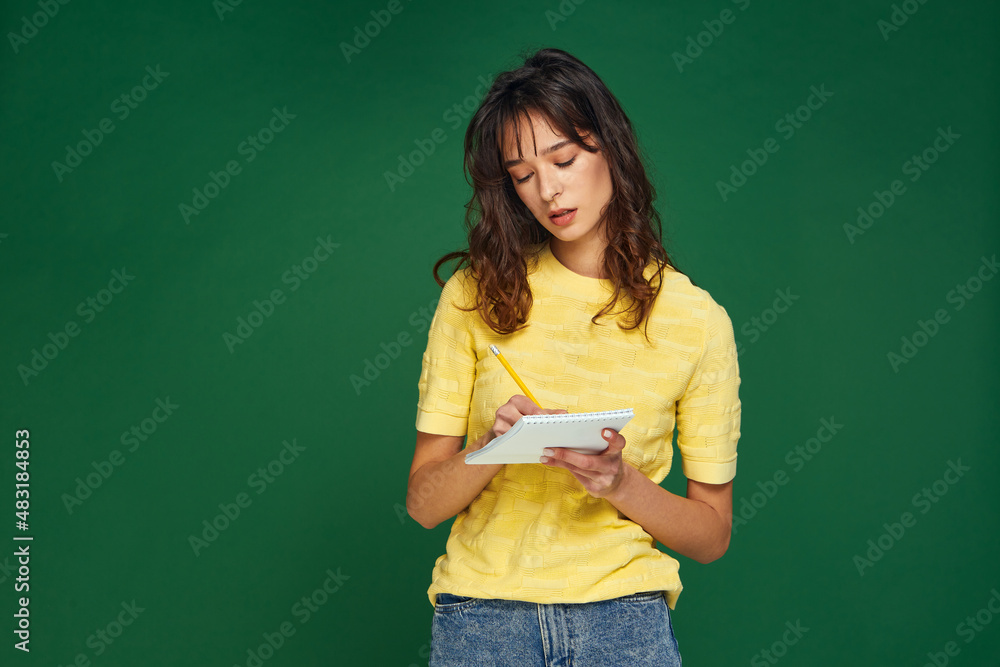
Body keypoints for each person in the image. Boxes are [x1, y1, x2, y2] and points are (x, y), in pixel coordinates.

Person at [407, 47, 741, 667]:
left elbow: (713, 534)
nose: (548, 189)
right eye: (522, 173)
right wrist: (493, 448)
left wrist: (620, 482)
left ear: (609, 147)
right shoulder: (475, 294)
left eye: (563, 158)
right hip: (482, 620)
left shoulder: (697, 322)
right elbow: (423, 505)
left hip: (625, 622)